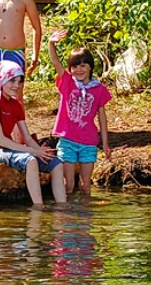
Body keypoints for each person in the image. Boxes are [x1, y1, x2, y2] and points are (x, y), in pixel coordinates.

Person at [0, 59, 67, 206]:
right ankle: (38, 207)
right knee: (30, 160)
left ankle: (62, 206)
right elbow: (0, 140)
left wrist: (39, 150)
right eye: (12, 81)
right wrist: (32, 152)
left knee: (55, 163)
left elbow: (27, 137)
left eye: (19, 81)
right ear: (1, 80)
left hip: (8, 149)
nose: (16, 86)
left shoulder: (16, 105)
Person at [46, 37, 112, 195]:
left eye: (83, 65)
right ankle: (67, 217)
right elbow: (55, 62)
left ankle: (85, 217)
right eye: (74, 66)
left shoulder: (99, 89)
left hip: (88, 142)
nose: (79, 70)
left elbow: (102, 119)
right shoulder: (67, 82)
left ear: (90, 67)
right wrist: (51, 43)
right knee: (68, 185)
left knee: (85, 185)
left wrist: (105, 143)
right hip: (67, 140)